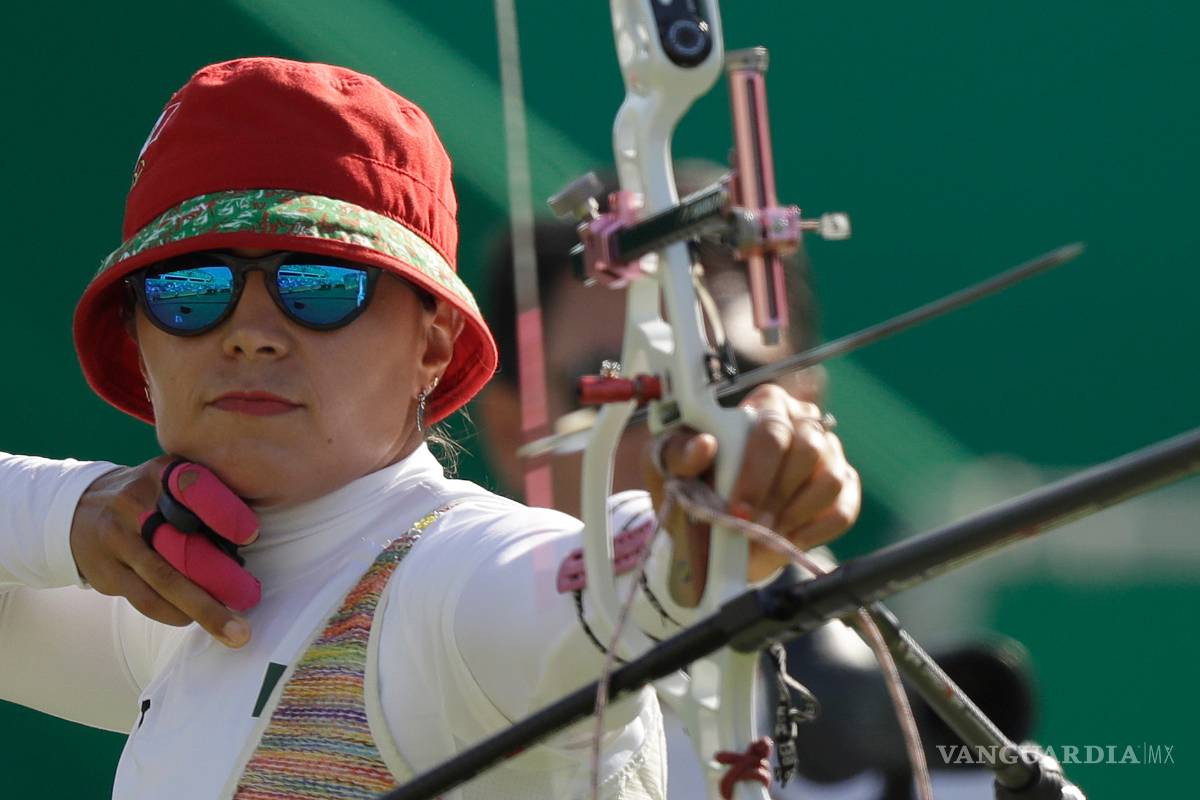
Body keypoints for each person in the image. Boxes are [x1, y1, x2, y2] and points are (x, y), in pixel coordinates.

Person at [0, 58, 861, 800]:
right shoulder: (180, 611)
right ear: (141, 342)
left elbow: (591, 592)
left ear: (432, 342)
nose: (250, 330)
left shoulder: (443, 584)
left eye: (321, 285)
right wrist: (71, 511)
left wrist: (710, 519)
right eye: (189, 291)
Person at [476, 206, 1034, 800]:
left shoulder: (956, 770)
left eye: (732, 380)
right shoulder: (428, 702)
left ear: (804, 402)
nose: (687, 434)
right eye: (628, 387)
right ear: (517, 431)